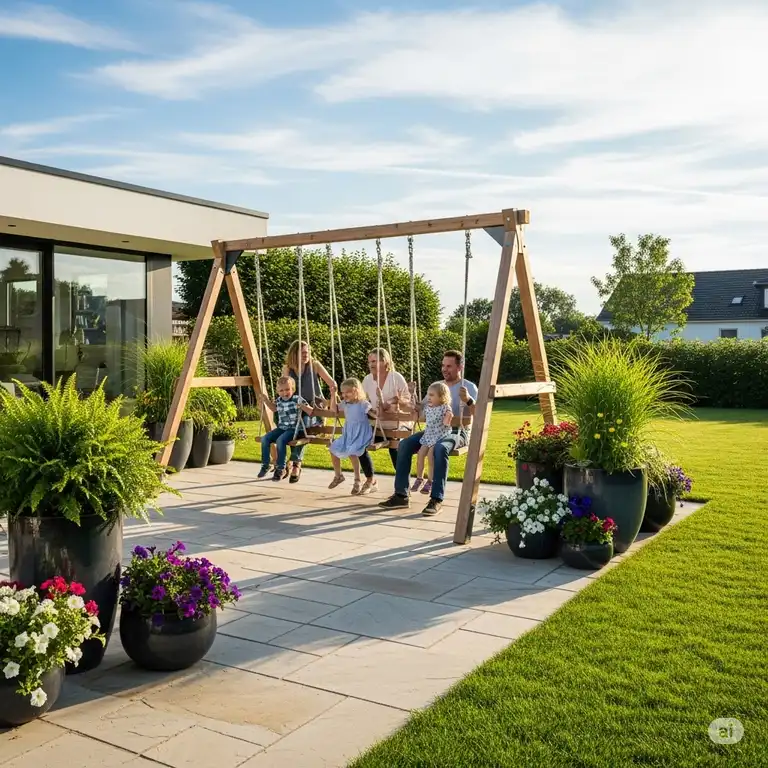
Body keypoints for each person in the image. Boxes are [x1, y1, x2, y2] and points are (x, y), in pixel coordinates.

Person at [378, 350, 478, 516]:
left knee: (440, 448)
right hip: (432, 430)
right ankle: (401, 495)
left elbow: (479, 413)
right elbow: (420, 409)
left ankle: (436, 499)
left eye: (449, 366)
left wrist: (468, 399)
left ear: (460, 366)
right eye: (443, 365)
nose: (444, 369)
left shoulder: (468, 387)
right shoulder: (437, 385)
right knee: (404, 445)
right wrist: (411, 397)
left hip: (457, 432)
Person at [280, 340, 337, 484]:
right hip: (295, 410)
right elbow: (282, 388)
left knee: (303, 426)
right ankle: (290, 462)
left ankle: (296, 464)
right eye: (303, 353)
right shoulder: (288, 369)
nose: (307, 355)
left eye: (308, 352)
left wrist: (331, 396)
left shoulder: (314, 365)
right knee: (288, 423)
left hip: (313, 410)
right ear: (294, 354)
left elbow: (332, 383)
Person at [360, 347, 411, 472]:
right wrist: (371, 410)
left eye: (375, 361)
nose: (371, 364)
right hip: (377, 424)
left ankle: (402, 484)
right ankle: (370, 479)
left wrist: (392, 402)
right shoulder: (367, 380)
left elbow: (408, 401)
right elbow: (362, 400)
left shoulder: (396, 378)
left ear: (385, 362)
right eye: (370, 361)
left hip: (397, 423)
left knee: (395, 448)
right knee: (359, 442)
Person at [257, 376, 313, 482]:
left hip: (294, 429)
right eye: (281, 390)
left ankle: (281, 468)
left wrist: (302, 406)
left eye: (287, 389)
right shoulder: (279, 400)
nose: (284, 393)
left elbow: (311, 411)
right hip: (282, 428)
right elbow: (274, 408)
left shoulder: (297, 399)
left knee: (280, 440)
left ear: (293, 389)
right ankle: (265, 465)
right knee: (265, 439)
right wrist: (266, 400)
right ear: (278, 391)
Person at [327, 378, 376, 495]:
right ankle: (338, 475)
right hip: (348, 434)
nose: (344, 395)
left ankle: (357, 480)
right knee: (333, 449)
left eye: (347, 392)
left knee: (353, 452)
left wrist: (376, 411)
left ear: (356, 391)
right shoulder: (345, 404)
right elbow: (334, 409)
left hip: (361, 434)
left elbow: (373, 414)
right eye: (342, 393)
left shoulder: (363, 403)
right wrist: (333, 395)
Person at [410, 381, 453, 496]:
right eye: (428, 394)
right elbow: (422, 417)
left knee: (430, 456)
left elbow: (449, 417)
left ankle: (430, 481)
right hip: (429, 435)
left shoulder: (445, 407)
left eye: (432, 395)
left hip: (440, 436)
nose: (429, 397)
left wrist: (448, 417)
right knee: (420, 454)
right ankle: (419, 478)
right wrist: (416, 412)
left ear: (442, 396)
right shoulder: (429, 407)